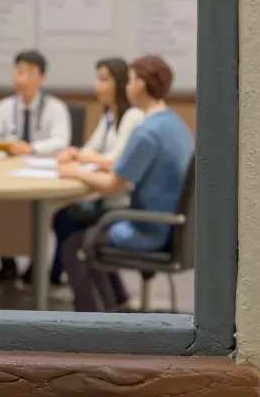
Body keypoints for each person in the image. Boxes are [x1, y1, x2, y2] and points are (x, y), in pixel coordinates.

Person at [58, 55, 193, 312]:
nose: (127, 86)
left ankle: (94, 323)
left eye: (129, 80)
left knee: (75, 246)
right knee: (88, 236)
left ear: (140, 84)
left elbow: (112, 185)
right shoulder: (172, 123)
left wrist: (76, 171)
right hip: (174, 227)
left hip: (149, 229)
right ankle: (113, 309)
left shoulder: (146, 132)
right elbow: (123, 166)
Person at [48, 58, 146, 290]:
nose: (97, 86)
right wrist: (74, 153)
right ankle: (58, 278)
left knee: (66, 219)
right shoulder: (110, 116)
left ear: (120, 84)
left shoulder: (133, 116)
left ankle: (53, 278)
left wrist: (81, 159)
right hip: (108, 195)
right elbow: (92, 149)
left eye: (104, 79)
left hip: (122, 200)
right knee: (64, 218)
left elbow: (116, 161)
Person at [0, 49, 72, 283]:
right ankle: (6, 263)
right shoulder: (4, 106)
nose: (23, 76)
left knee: (39, 215)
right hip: (7, 174)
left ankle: (37, 267)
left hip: (42, 174)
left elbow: (61, 141)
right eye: (19, 70)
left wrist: (31, 148)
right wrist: (7, 145)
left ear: (42, 77)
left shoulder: (55, 107)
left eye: (30, 71)